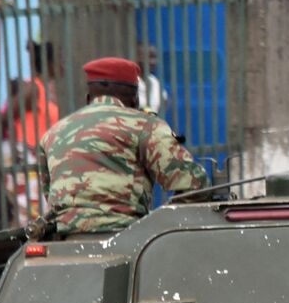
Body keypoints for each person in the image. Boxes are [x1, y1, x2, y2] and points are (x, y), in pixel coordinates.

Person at [40, 57, 206, 235]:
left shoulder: (53, 133)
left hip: (66, 239)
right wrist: (165, 225)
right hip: (127, 237)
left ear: (88, 98)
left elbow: (49, 192)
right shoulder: (144, 126)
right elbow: (194, 183)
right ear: (135, 100)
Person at [0, 41, 62, 223]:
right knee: (34, 213)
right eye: (59, 61)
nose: (63, 65)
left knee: (32, 214)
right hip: (26, 156)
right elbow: (4, 117)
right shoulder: (33, 88)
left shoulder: (48, 89)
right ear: (49, 64)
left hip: (39, 159)